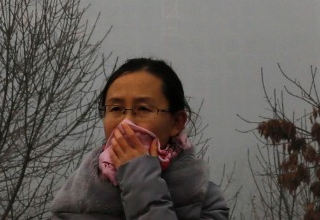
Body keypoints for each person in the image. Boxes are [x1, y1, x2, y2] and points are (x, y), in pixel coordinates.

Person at [51, 58, 229, 219]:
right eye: (115, 109)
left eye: (143, 109)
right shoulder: (73, 204)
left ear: (176, 122)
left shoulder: (202, 197)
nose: (126, 123)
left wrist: (140, 179)